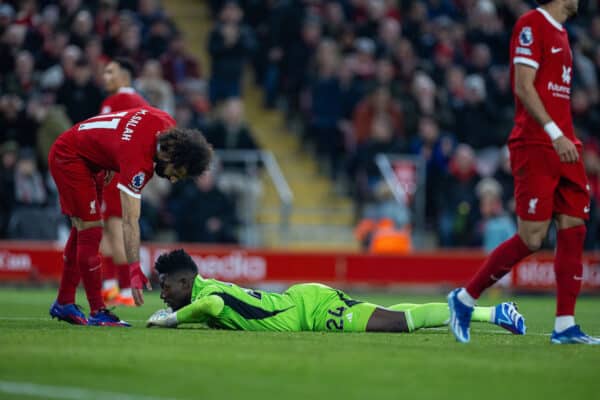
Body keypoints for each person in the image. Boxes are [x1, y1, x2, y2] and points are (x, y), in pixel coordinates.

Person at [448, 0, 599, 345]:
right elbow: (523, 86)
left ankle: (565, 325)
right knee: (532, 238)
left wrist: (567, 137)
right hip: (537, 143)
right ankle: (465, 299)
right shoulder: (532, 24)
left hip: (566, 145)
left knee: (574, 227)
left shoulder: (563, 33)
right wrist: (554, 133)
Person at [48, 106, 213, 326]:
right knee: (91, 230)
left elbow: (122, 120)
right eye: (178, 172)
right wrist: (134, 268)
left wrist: (105, 156)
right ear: (173, 155)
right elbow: (130, 221)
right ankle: (97, 312)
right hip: (70, 156)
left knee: (82, 229)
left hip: (88, 156)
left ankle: (64, 302)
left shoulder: (165, 121)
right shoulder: (139, 162)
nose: (173, 179)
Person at [146, 249, 526, 335]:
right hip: (301, 304)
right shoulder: (201, 290)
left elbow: (211, 305)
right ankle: (494, 313)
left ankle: (494, 313)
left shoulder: (205, 294)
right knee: (392, 313)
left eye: (165, 288)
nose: (162, 295)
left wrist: (171, 319)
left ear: (183, 283)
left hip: (311, 308)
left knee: (396, 323)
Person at [98, 58, 150, 307]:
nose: (106, 77)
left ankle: (127, 290)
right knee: (107, 230)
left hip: (114, 173)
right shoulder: (141, 103)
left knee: (115, 231)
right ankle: (110, 286)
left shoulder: (117, 101)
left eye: (111, 72)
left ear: (125, 77)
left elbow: (105, 138)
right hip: (124, 171)